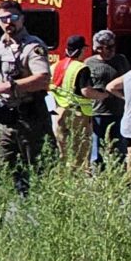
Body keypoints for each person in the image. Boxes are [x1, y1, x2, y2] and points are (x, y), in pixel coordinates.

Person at [0, 0, 53, 190]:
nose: (8, 22)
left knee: (38, 173)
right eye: (3, 18)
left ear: (22, 19)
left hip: (31, 120)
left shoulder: (33, 46)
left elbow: (43, 79)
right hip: (6, 121)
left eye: (13, 17)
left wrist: (8, 87)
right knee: (3, 174)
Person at [79, 30, 128, 169]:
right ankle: (97, 173)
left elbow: (128, 80)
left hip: (119, 110)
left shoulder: (121, 60)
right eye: (105, 47)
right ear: (97, 48)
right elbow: (85, 87)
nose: (109, 50)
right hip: (98, 112)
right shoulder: (89, 63)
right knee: (97, 149)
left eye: (112, 46)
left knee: (119, 148)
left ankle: (117, 174)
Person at [50, 34, 91, 170]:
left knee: (63, 149)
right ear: (82, 50)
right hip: (77, 113)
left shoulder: (55, 66)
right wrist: (103, 95)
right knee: (80, 149)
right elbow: (86, 91)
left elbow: (49, 88)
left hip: (58, 112)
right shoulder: (81, 68)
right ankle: (78, 176)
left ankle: (63, 175)